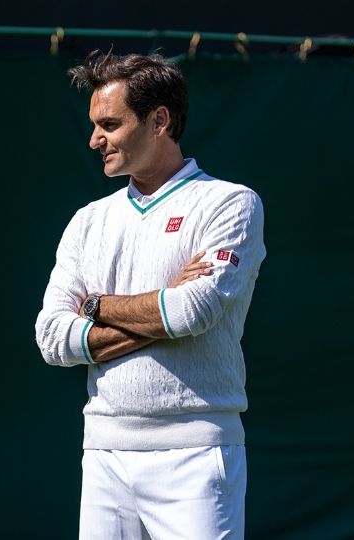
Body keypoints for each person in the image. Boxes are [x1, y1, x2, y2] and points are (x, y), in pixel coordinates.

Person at [34, 51, 266, 539]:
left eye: (110, 125)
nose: (94, 139)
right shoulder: (88, 220)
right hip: (103, 454)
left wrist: (96, 307)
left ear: (159, 120)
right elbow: (52, 338)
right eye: (95, 125)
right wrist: (160, 307)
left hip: (198, 455)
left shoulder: (231, 203)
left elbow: (192, 312)